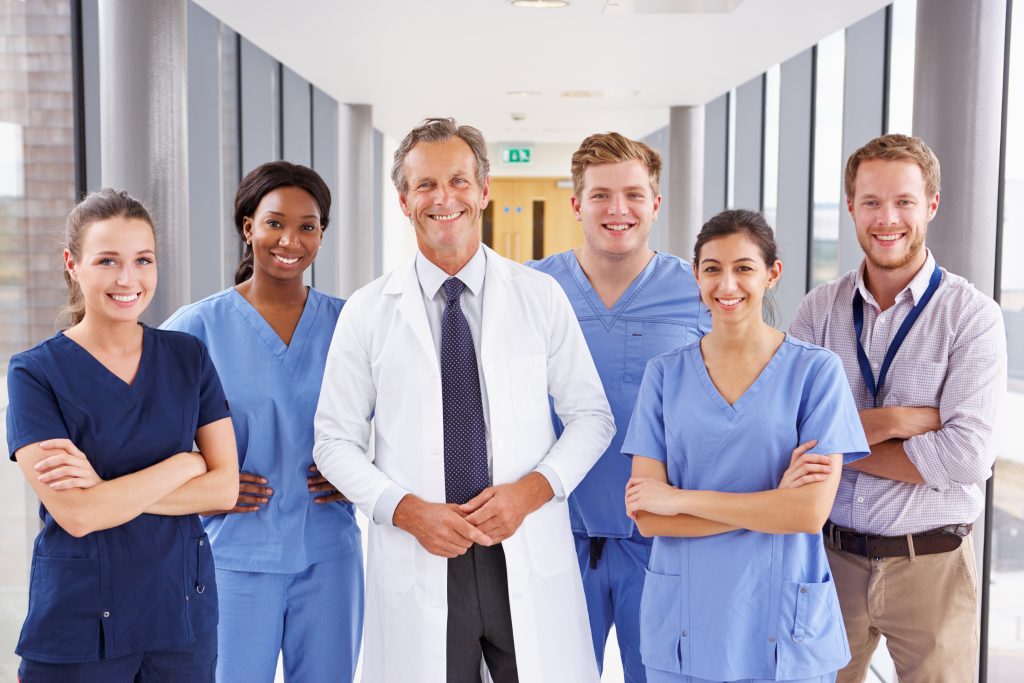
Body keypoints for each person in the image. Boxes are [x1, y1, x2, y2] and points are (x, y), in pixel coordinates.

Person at [313, 117, 614, 682]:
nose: (442, 197)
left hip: (521, 546)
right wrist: (405, 510)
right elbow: (333, 441)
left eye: (457, 180)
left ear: (483, 189)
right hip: (421, 550)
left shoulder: (539, 297)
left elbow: (592, 417)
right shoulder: (368, 310)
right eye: (424, 184)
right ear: (403, 200)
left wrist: (532, 491)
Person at [788, 134, 1007, 682]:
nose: (887, 218)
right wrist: (895, 422)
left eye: (904, 201)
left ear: (931, 205)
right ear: (851, 208)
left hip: (932, 565)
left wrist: (834, 443)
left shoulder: (972, 316)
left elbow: (965, 459)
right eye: (871, 202)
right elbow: (782, 427)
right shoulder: (819, 310)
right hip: (829, 562)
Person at [623, 209, 870, 683]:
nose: (726, 284)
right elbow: (650, 517)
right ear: (696, 275)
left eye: (744, 268)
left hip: (780, 622)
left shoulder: (816, 373)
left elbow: (805, 514)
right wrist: (771, 502)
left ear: (772, 274)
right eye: (712, 268)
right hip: (686, 624)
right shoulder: (664, 375)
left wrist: (681, 499)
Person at [6, 188, 238, 681]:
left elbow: (225, 489)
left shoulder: (187, 356)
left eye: (143, 260)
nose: (128, 279)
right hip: (77, 621)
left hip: (182, 617)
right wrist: (186, 464)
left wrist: (109, 492)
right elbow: (78, 514)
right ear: (73, 264)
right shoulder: (34, 374)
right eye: (108, 260)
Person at [162, 162, 363, 682]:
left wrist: (362, 477)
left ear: (322, 234)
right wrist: (209, 483)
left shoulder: (352, 325)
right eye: (274, 223)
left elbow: (398, 424)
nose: (290, 239)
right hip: (233, 557)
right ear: (248, 227)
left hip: (330, 555)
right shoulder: (195, 329)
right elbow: (147, 440)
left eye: (308, 225)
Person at [528, 131, 704, 680]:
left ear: (655, 203)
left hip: (658, 541)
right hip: (554, 533)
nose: (617, 209)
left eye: (633, 194)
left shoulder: (698, 291)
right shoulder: (532, 289)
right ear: (576, 204)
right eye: (601, 194)